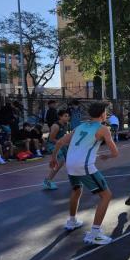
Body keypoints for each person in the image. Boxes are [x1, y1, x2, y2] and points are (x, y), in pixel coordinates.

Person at [50, 102, 118, 244]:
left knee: (76, 190)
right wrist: (108, 156)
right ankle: (94, 233)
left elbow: (59, 142)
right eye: (105, 112)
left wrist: (53, 158)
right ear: (102, 114)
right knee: (106, 195)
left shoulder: (79, 127)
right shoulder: (103, 129)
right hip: (84, 166)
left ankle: (72, 221)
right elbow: (115, 152)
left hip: (70, 164)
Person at [42, 109, 70, 190]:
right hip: (52, 144)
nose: (67, 117)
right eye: (65, 116)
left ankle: (74, 177)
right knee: (61, 160)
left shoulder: (66, 124)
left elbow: (64, 136)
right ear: (60, 117)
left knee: (71, 159)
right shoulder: (56, 126)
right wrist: (63, 142)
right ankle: (48, 180)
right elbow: (51, 139)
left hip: (60, 143)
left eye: (68, 116)